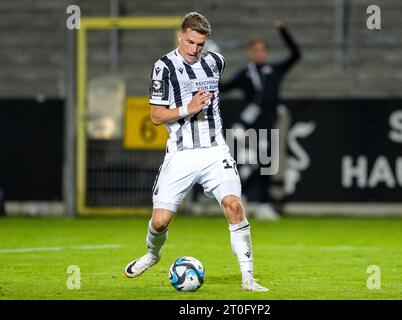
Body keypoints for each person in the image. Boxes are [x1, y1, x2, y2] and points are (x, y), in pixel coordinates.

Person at [124, 12, 268, 292]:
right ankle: (153, 255)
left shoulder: (216, 62)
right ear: (180, 36)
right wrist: (188, 108)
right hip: (181, 154)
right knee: (160, 220)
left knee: (234, 206)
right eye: (190, 42)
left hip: (215, 150)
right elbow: (155, 116)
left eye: (200, 45)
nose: (194, 49)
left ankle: (248, 277)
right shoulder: (163, 67)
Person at [220, 20, 301, 220]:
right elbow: (223, 87)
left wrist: (283, 31)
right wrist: (209, 68)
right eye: (255, 50)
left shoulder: (273, 71)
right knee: (262, 164)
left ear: (266, 52)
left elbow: (295, 54)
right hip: (251, 129)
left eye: (262, 50)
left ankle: (259, 202)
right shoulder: (245, 74)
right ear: (250, 53)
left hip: (270, 126)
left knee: (266, 165)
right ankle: (246, 197)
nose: (259, 53)